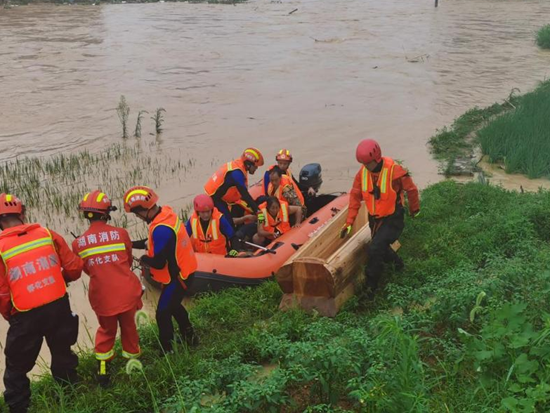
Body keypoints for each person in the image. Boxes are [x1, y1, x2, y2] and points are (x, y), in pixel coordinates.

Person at [0, 193, 83, 413]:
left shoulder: (1, 247)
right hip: (58, 305)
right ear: (22, 213)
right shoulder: (47, 233)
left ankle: (19, 408)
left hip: (25, 315)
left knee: (16, 367)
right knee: (62, 351)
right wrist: (59, 279)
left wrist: (10, 315)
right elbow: (74, 268)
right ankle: (71, 392)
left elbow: (2, 293)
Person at [72, 190, 143, 387]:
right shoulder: (121, 234)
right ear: (106, 213)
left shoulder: (78, 244)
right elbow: (127, 261)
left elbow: (87, 270)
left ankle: (103, 372)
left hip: (102, 297)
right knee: (130, 329)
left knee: (106, 331)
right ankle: (133, 365)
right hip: (127, 292)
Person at [123, 186, 198, 353]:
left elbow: (157, 262)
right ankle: (190, 336)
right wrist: (131, 244)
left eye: (137, 214)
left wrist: (143, 259)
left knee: (163, 313)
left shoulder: (161, 230)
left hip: (179, 277)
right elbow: (151, 242)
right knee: (175, 306)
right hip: (183, 271)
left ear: (144, 210)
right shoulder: (166, 215)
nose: (138, 217)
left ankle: (168, 350)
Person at [340, 139, 420, 294]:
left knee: (375, 248)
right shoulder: (362, 174)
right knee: (380, 247)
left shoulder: (394, 170)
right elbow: (355, 198)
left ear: (376, 158)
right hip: (375, 219)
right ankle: (399, 266)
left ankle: (371, 288)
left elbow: (411, 189)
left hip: (393, 218)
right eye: (363, 163)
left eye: (367, 163)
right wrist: (349, 222)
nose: (365, 167)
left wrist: (414, 209)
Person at [204, 148, 264, 227]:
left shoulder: (238, 165)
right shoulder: (237, 174)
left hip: (219, 195)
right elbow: (245, 194)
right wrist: (257, 210)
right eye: (255, 167)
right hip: (215, 198)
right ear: (249, 164)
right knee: (229, 224)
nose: (256, 169)